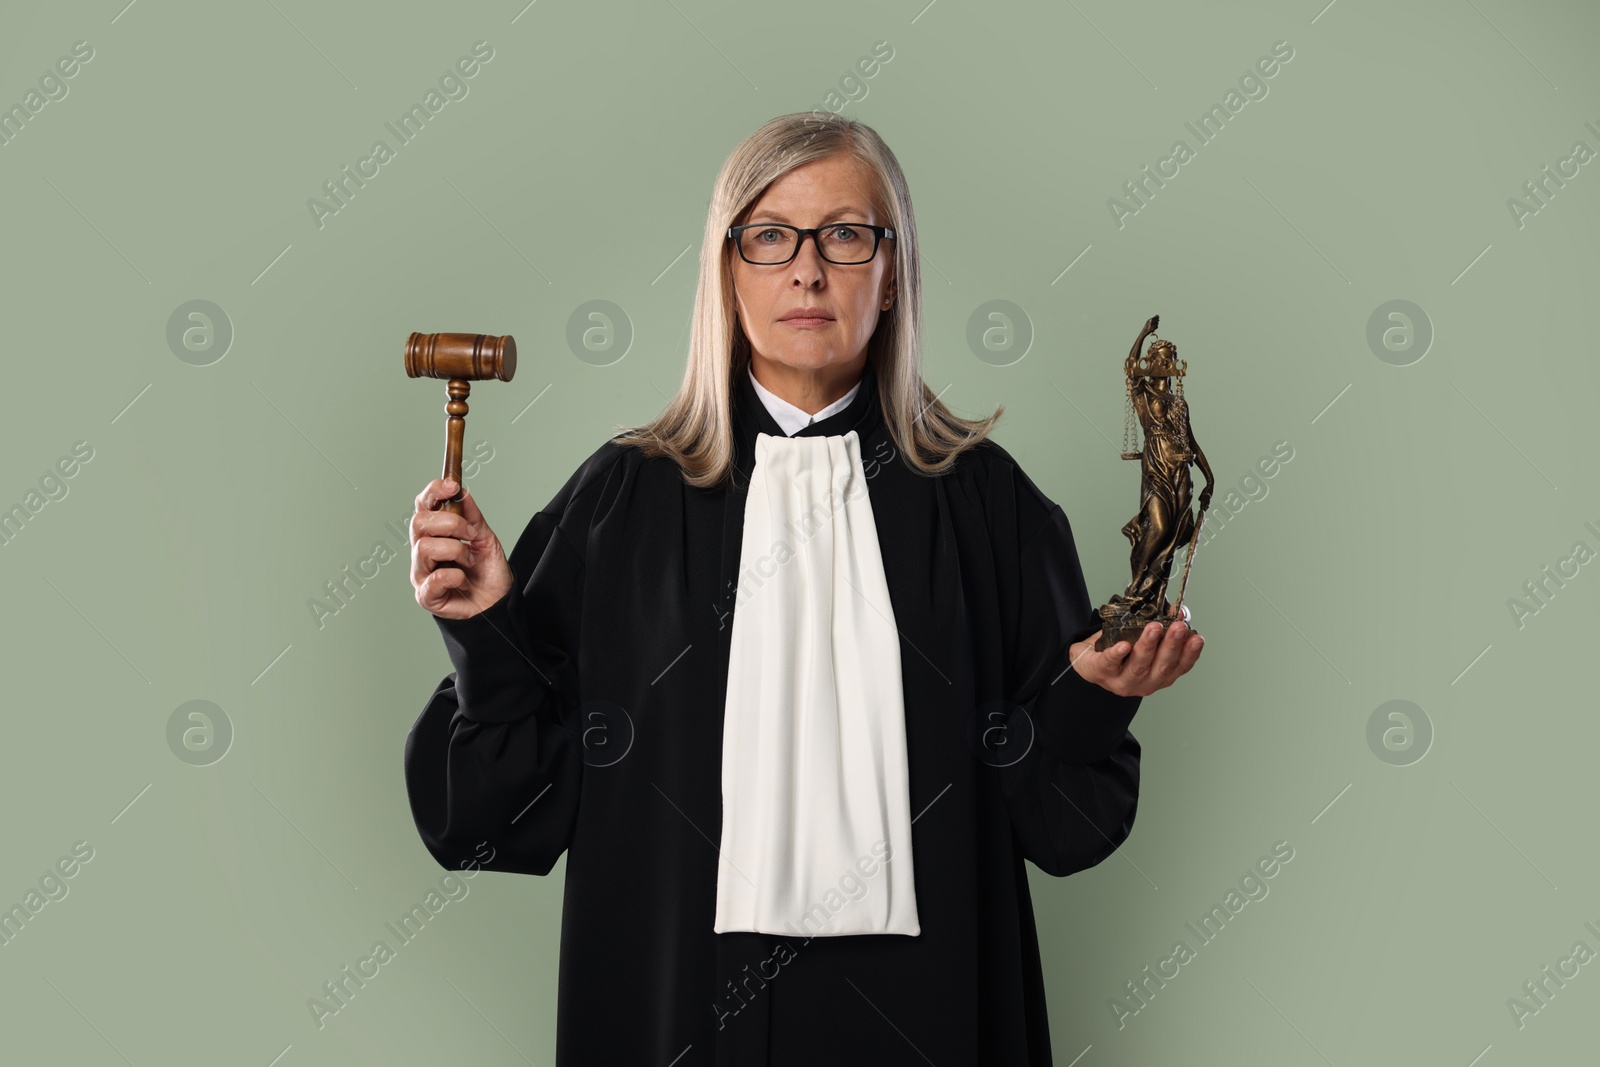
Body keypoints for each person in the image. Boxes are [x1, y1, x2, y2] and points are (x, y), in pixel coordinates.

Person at [403, 111, 1204, 1066]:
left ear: (894, 269)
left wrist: (1089, 702)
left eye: (847, 235)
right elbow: (491, 816)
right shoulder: (620, 502)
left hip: (928, 1012)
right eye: (771, 236)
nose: (808, 270)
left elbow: (1060, 826)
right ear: (727, 267)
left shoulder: (991, 506)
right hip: (681, 1013)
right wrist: (489, 626)